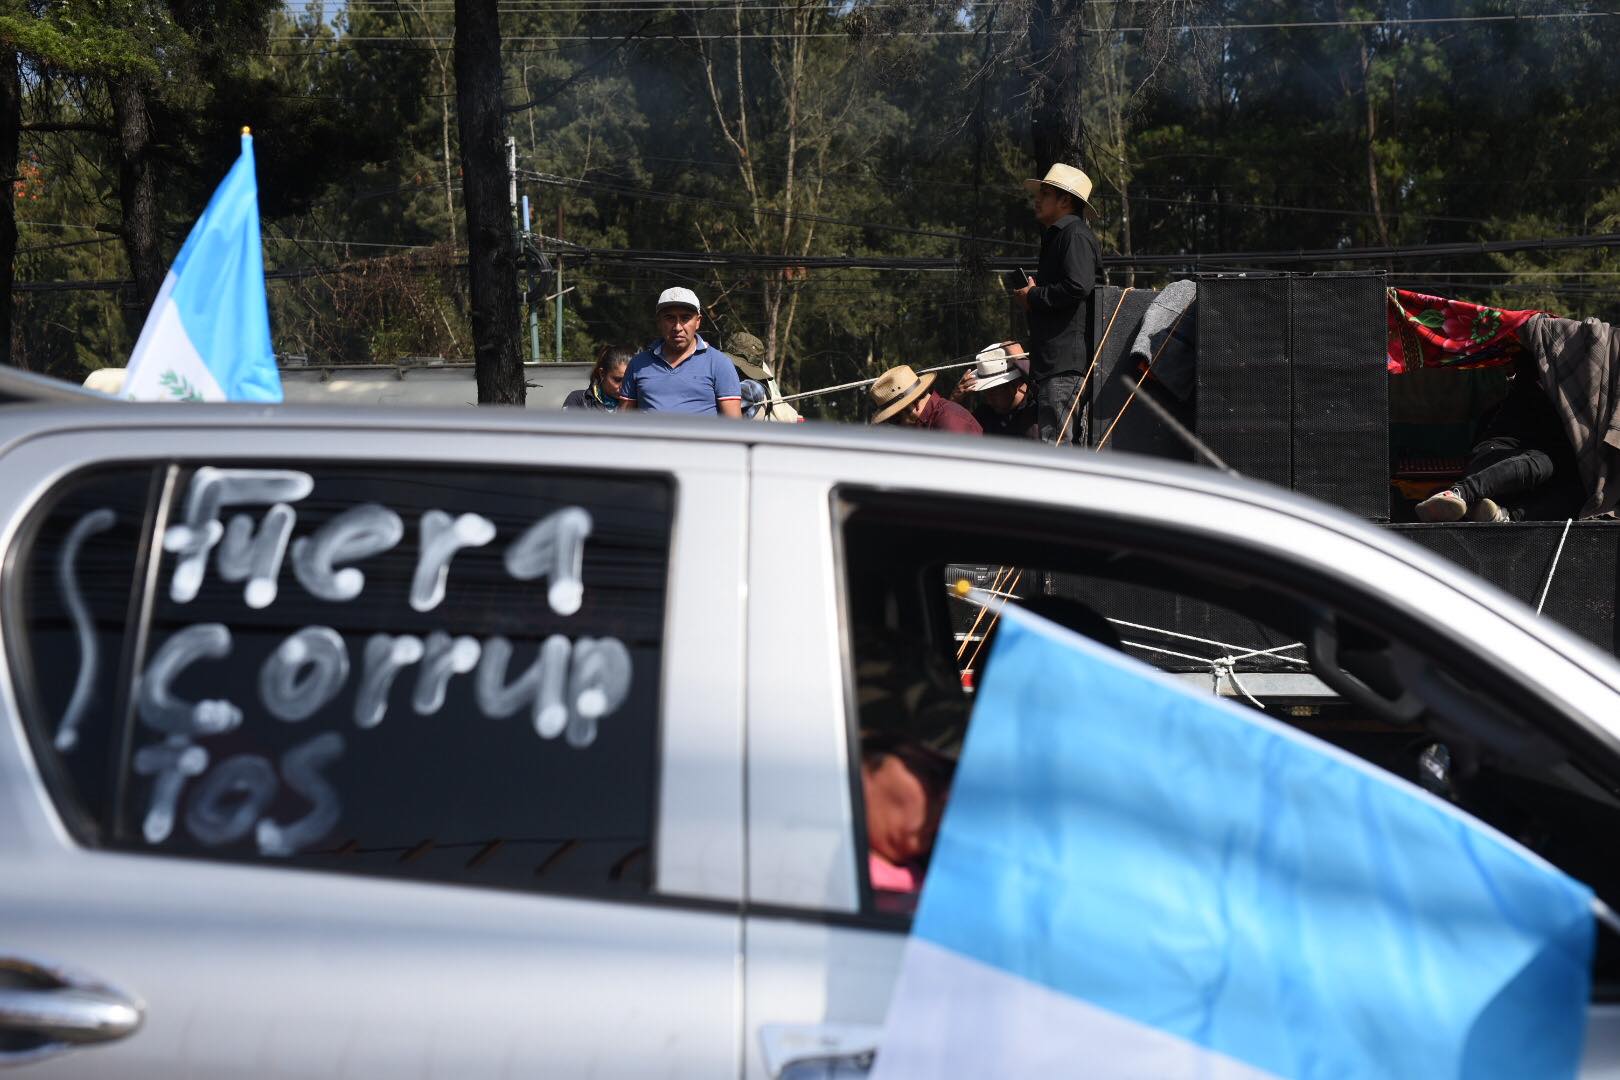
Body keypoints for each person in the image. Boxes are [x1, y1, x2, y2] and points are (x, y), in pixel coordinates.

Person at [1414, 353, 1584, 522]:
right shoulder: (1529, 392)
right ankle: (1460, 493)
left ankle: (1501, 515)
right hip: (1493, 463)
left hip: (1522, 491)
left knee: (1579, 491)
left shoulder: (1581, 415)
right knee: (1543, 462)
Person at [1012, 163, 1102, 445]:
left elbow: (1078, 285)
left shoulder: (1073, 235)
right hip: (1055, 362)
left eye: (1046, 193)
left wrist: (1034, 296)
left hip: (1063, 365)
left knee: (1058, 447)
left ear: (1065, 200)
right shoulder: (1063, 236)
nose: (1037, 199)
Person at [861, 735, 955, 904]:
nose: (947, 797)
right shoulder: (830, 882)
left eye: (953, 780)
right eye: (933, 774)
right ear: (862, 769)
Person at [618, 287, 743, 416]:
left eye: (685, 318)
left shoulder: (719, 364)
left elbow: (734, 428)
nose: (677, 327)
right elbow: (623, 421)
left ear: (698, 321)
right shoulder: (638, 364)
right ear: (659, 322)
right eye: (670, 318)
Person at [868, 364, 982, 434]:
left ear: (914, 405)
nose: (897, 427)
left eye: (895, 420)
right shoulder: (937, 419)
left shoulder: (949, 423)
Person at [957, 342, 1037, 440]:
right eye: (985, 393)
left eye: (993, 392)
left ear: (1015, 384)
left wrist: (1021, 361)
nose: (989, 400)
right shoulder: (984, 415)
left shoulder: (1037, 409)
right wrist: (954, 400)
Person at [562, 344, 633, 411]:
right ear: (602, 373)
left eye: (629, 381)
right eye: (617, 380)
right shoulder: (579, 401)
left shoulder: (639, 404)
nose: (624, 387)